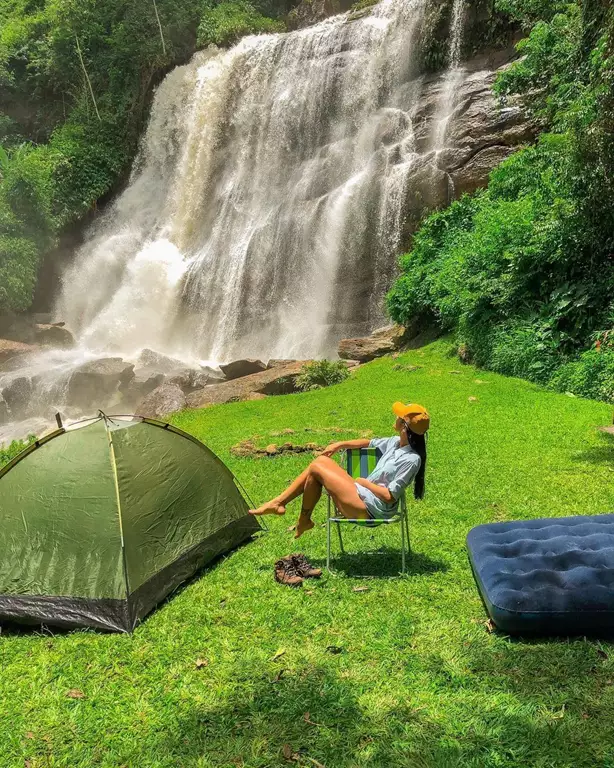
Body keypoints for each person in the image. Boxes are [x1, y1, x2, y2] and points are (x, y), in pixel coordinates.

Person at [249, 401, 429, 538]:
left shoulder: (411, 459)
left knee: (318, 464)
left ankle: (281, 505)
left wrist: (363, 482)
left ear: (404, 426)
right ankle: (300, 518)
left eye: (398, 416)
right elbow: (368, 442)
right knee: (315, 471)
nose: (395, 417)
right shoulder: (394, 443)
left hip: (370, 510)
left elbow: (391, 496)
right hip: (360, 496)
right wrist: (339, 444)